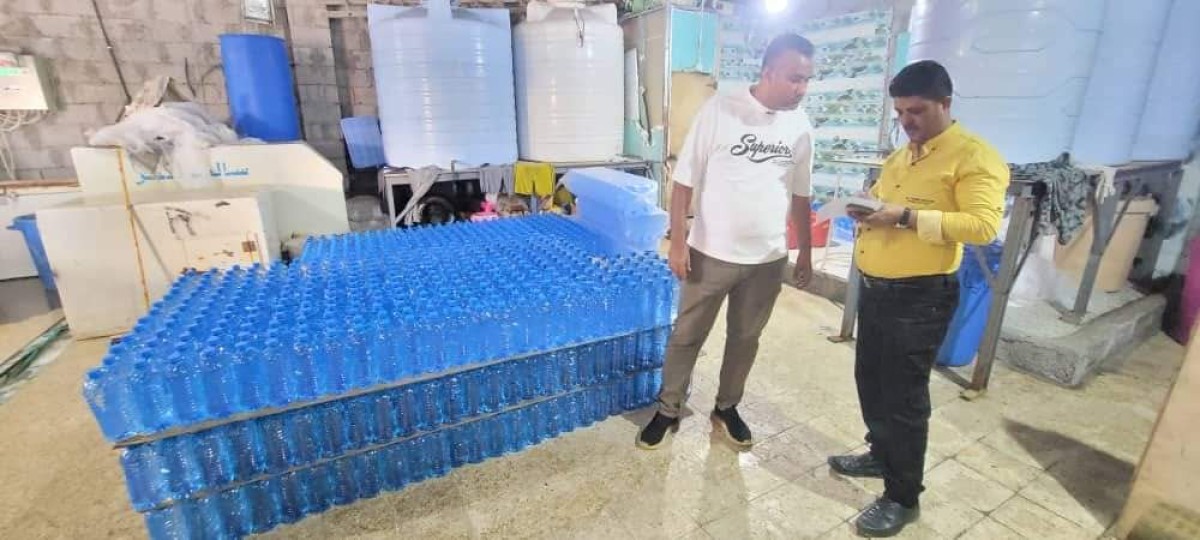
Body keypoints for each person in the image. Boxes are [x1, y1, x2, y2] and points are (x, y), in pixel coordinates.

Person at [827, 60, 1010, 537]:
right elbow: (884, 201)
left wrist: (904, 217)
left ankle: (903, 497)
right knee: (871, 380)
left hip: (920, 296)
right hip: (876, 288)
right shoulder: (903, 156)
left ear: (946, 104)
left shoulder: (973, 156)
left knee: (904, 398)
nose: (908, 121)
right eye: (901, 112)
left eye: (918, 111)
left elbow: (982, 226)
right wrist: (865, 207)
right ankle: (880, 454)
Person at [637, 33, 816, 450]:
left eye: (807, 79)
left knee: (745, 338)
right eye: (794, 78)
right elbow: (684, 182)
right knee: (686, 336)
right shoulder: (720, 109)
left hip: (768, 259)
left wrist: (805, 251)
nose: (801, 88)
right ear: (768, 71)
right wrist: (678, 243)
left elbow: (802, 195)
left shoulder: (801, 124)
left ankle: (727, 406)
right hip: (709, 253)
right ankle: (669, 408)